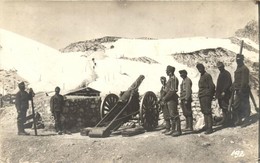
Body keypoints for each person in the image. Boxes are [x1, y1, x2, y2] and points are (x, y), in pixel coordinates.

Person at [161, 65, 181, 137]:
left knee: (174, 115)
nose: (166, 72)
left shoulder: (173, 79)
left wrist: (165, 98)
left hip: (172, 99)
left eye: (167, 71)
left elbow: (172, 90)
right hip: (168, 99)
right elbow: (166, 90)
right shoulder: (170, 79)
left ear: (170, 72)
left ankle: (178, 130)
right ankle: (173, 130)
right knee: (171, 116)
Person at [232, 54, 251, 126]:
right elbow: (236, 79)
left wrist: (241, 89)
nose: (237, 62)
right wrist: (233, 85)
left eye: (239, 60)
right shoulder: (238, 68)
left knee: (245, 105)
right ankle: (239, 119)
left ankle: (247, 120)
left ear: (242, 60)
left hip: (244, 90)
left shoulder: (244, 69)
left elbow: (244, 81)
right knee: (236, 105)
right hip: (238, 90)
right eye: (237, 60)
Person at [196, 63, 215, 134]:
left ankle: (210, 128)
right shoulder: (202, 75)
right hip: (202, 96)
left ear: (203, 68)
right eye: (198, 69)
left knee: (207, 111)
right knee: (204, 111)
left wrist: (210, 95)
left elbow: (212, 86)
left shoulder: (207, 75)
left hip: (206, 96)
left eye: (200, 68)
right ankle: (207, 126)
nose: (199, 70)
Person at [215, 61, 232, 127]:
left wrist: (224, 91)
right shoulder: (220, 74)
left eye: (221, 67)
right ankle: (225, 120)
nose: (220, 69)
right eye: (219, 68)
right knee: (222, 107)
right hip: (220, 94)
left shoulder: (226, 74)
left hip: (225, 94)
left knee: (225, 106)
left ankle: (228, 121)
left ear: (223, 67)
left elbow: (228, 83)